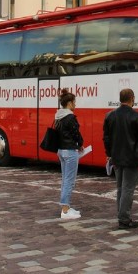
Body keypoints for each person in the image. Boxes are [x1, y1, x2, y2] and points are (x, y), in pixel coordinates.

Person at [103, 88, 138, 230]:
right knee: (128, 188)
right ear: (132, 98)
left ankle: (121, 214)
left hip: (117, 157)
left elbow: (106, 138)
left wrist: (110, 153)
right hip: (133, 158)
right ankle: (124, 218)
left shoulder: (110, 116)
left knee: (120, 188)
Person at [55, 88, 83, 220]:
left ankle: (66, 206)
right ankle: (65, 210)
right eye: (74, 102)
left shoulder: (58, 116)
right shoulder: (70, 117)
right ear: (70, 103)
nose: (75, 105)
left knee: (65, 179)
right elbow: (76, 134)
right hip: (70, 151)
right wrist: (81, 144)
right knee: (69, 181)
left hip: (61, 151)